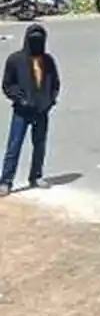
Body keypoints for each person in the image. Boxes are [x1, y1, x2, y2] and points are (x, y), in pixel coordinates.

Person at [0, 24, 60, 196]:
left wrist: (50, 100)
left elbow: (55, 83)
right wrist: (20, 99)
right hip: (21, 110)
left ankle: (36, 176)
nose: (37, 42)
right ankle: (6, 181)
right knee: (14, 145)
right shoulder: (15, 60)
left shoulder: (48, 61)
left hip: (42, 110)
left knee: (39, 144)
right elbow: (7, 85)